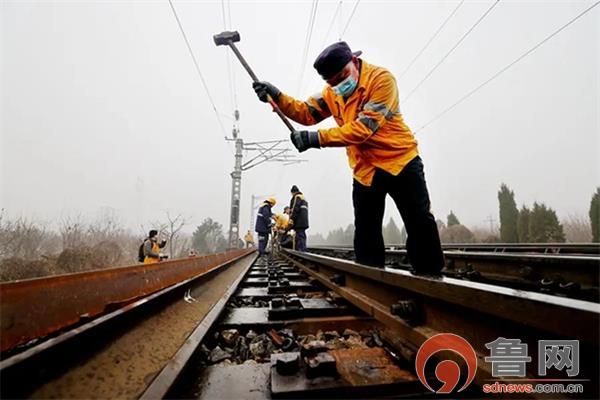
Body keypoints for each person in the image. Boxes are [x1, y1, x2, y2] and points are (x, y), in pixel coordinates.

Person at [252, 42, 444, 274]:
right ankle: (371, 280)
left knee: (419, 221)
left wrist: (316, 139)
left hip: (400, 161)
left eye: (342, 76)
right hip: (365, 170)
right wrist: (278, 97)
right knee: (366, 230)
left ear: (354, 61)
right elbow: (306, 112)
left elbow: (364, 128)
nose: (338, 85)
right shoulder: (332, 93)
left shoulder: (382, 80)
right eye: (331, 82)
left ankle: (430, 276)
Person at [289, 186, 309, 251]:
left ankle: (301, 251)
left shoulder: (297, 197)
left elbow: (295, 208)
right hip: (304, 220)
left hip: (299, 221)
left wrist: (291, 218)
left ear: (293, 192)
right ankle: (302, 249)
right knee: (302, 235)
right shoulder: (303, 198)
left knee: (299, 235)